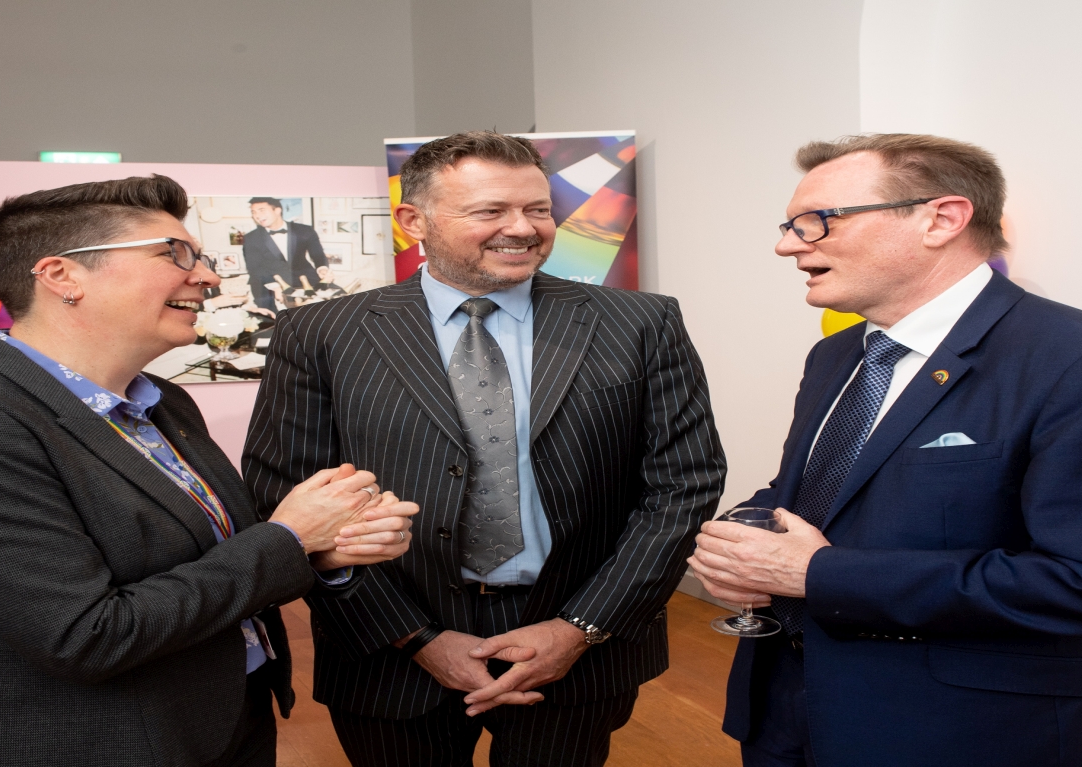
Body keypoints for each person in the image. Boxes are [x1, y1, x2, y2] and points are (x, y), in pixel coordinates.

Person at [0, 176, 422, 767]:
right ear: (62, 276)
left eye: (200, 257)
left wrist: (322, 551)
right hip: (89, 743)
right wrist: (289, 538)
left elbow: (206, 558)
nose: (207, 277)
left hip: (221, 721)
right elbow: (86, 635)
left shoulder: (163, 400)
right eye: (174, 254)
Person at [686, 134, 1082, 766]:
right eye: (790, 226)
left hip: (969, 733)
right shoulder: (837, 355)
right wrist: (744, 536)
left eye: (817, 221)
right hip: (790, 714)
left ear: (942, 220)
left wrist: (816, 575)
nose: (788, 245)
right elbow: (823, 490)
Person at [242, 131, 726, 767]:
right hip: (390, 649)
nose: (522, 228)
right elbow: (286, 493)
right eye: (490, 210)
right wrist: (415, 637)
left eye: (538, 209)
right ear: (414, 221)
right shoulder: (321, 333)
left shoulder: (640, 323)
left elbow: (683, 485)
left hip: (575, 641)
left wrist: (579, 628)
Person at [241, 196, 325, 314]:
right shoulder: (251, 238)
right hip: (266, 284)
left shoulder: (305, 230)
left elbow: (318, 254)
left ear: (277, 210)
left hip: (304, 279)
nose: (257, 216)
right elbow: (254, 268)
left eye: (261, 210)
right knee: (272, 319)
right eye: (253, 212)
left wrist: (322, 268)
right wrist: (275, 286)